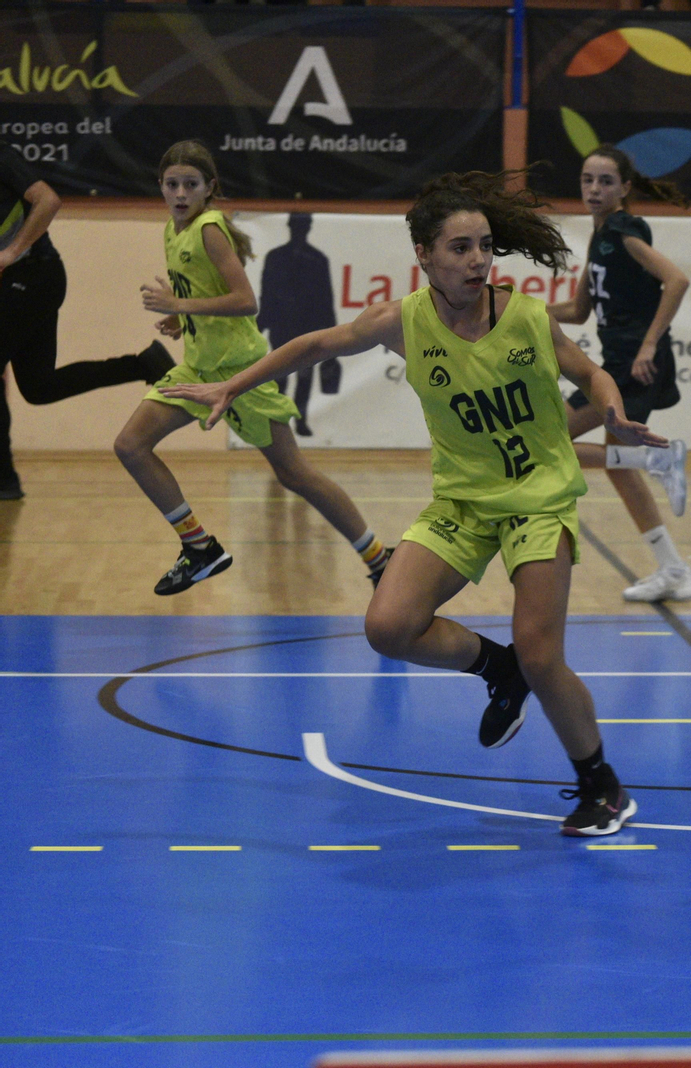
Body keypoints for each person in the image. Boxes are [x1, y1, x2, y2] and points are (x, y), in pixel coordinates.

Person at [162, 169, 659, 836]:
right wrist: (232, 385)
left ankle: (601, 782)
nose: (478, 259)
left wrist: (612, 411)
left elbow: (591, 372)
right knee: (387, 627)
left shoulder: (525, 316)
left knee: (544, 655)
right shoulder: (403, 322)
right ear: (424, 256)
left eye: (484, 246)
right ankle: (495, 667)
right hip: (461, 503)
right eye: (460, 248)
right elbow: (312, 346)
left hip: (538, 501)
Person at [114, 141, 391, 595]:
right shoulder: (173, 228)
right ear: (160, 188)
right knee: (130, 445)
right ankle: (199, 546)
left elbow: (246, 301)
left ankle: (379, 557)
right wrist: (181, 317)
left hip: (241, 373)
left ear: (209, 189)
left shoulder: (209, 228)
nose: (180, 193)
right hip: (197, 369)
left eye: (190, 184)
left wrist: (179, 303)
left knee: (295, 474)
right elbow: (206, 292)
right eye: (172, 184)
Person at [548, 145, 691, 604]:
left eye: (605, 181)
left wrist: (649, 343)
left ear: (625, 188)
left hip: (634, 363)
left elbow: (677, 280)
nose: (594, 188)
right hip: (616, 363)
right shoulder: (600, 236)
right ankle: (672, 569)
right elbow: (576, 310)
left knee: (548, 438)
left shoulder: (622, 230)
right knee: (617, 468)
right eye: (588, 179)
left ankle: (661, 462)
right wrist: (516, 311)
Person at [0, 143, 174, 500]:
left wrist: (11, 252)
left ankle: (4, 480)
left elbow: (48, 200)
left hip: (32, 277)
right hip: (26, 283)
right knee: (38, 388)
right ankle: (142, 364)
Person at [258, 213, 340, 437]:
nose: (299, 230)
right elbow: (267, 294)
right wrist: (260, 324)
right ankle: (278, 420)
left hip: (306, 327)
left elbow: (325, 299)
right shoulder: (276, 257)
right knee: (280, 376)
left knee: (304, 377)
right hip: (282, 326)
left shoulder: (317, 259)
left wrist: (330, 334)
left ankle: (299, 419)